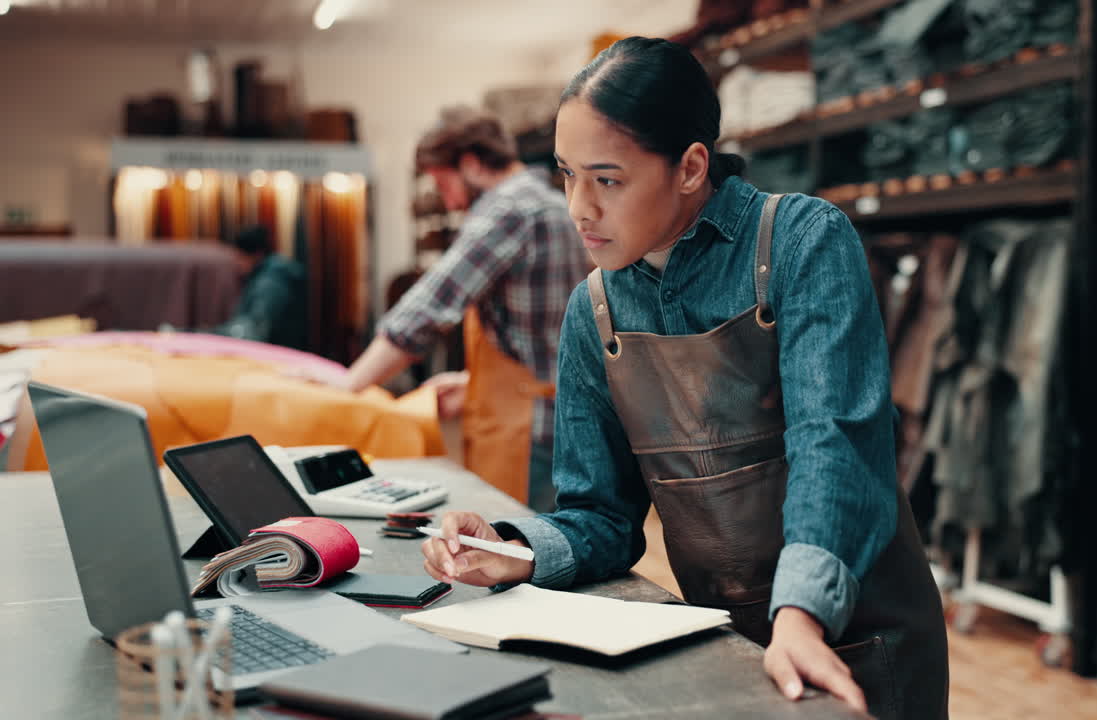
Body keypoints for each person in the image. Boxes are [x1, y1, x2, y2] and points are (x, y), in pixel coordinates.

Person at [419, 37, 949, 719]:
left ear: (692, 166)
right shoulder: (595, 309)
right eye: (566, 175)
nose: (579, 208)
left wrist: (800, 615)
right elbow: (602, 517)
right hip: (721, 645)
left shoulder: (801, 243)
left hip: (857, 638)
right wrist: (516, 549)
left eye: (607, 179)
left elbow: (836, 449)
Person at [328, 106, 591, 512]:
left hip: (532, 431)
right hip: (558, 417)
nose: (447, 201)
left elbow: (427, 309)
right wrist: (475, 383)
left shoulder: (509, 209)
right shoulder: (549, 202)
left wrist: (347, 388)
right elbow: (544, 333)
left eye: (443, 182)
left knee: (523, 554)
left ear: (470, 164)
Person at [208, 224, 307, 350]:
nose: (237, 264)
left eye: (240, 258)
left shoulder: (272, 283)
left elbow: (256, 330)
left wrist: (216, 334)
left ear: (257, 255)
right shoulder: (267, 276)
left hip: (278, 355)